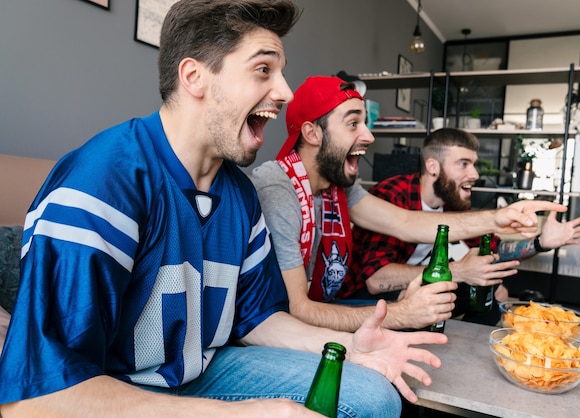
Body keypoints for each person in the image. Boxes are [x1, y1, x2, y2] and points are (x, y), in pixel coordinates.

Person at [0, 2, 453, 417]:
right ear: (195, 77)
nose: (287, 92)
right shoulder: (104, 179)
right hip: (114, 391)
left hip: (205, 371)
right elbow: (34, 398)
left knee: (373, 395)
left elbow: (259, 316)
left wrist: (349, 346)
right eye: (263, 70)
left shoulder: (239, 193)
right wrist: (240, 415)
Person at [251, 75, 568, 333]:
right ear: (312, 133)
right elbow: (299, 309)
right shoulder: (279, 186)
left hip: (323, 307)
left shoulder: (338, 188)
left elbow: (406, 222)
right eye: (353, 124)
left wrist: (499, 218)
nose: (369, 136)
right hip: (279, 322)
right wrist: (403, 314)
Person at [343, 128, 580, 325]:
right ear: (433, 167)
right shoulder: (393, 193)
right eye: (463, 164)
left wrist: (541, 242)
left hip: (413, 288)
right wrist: (458, 271)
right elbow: (376, 280)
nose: (474, 174)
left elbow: (493, 249)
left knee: (491, 292)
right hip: (362, 300)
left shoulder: (452, 200)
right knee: (435, 292)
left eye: (473, 164)